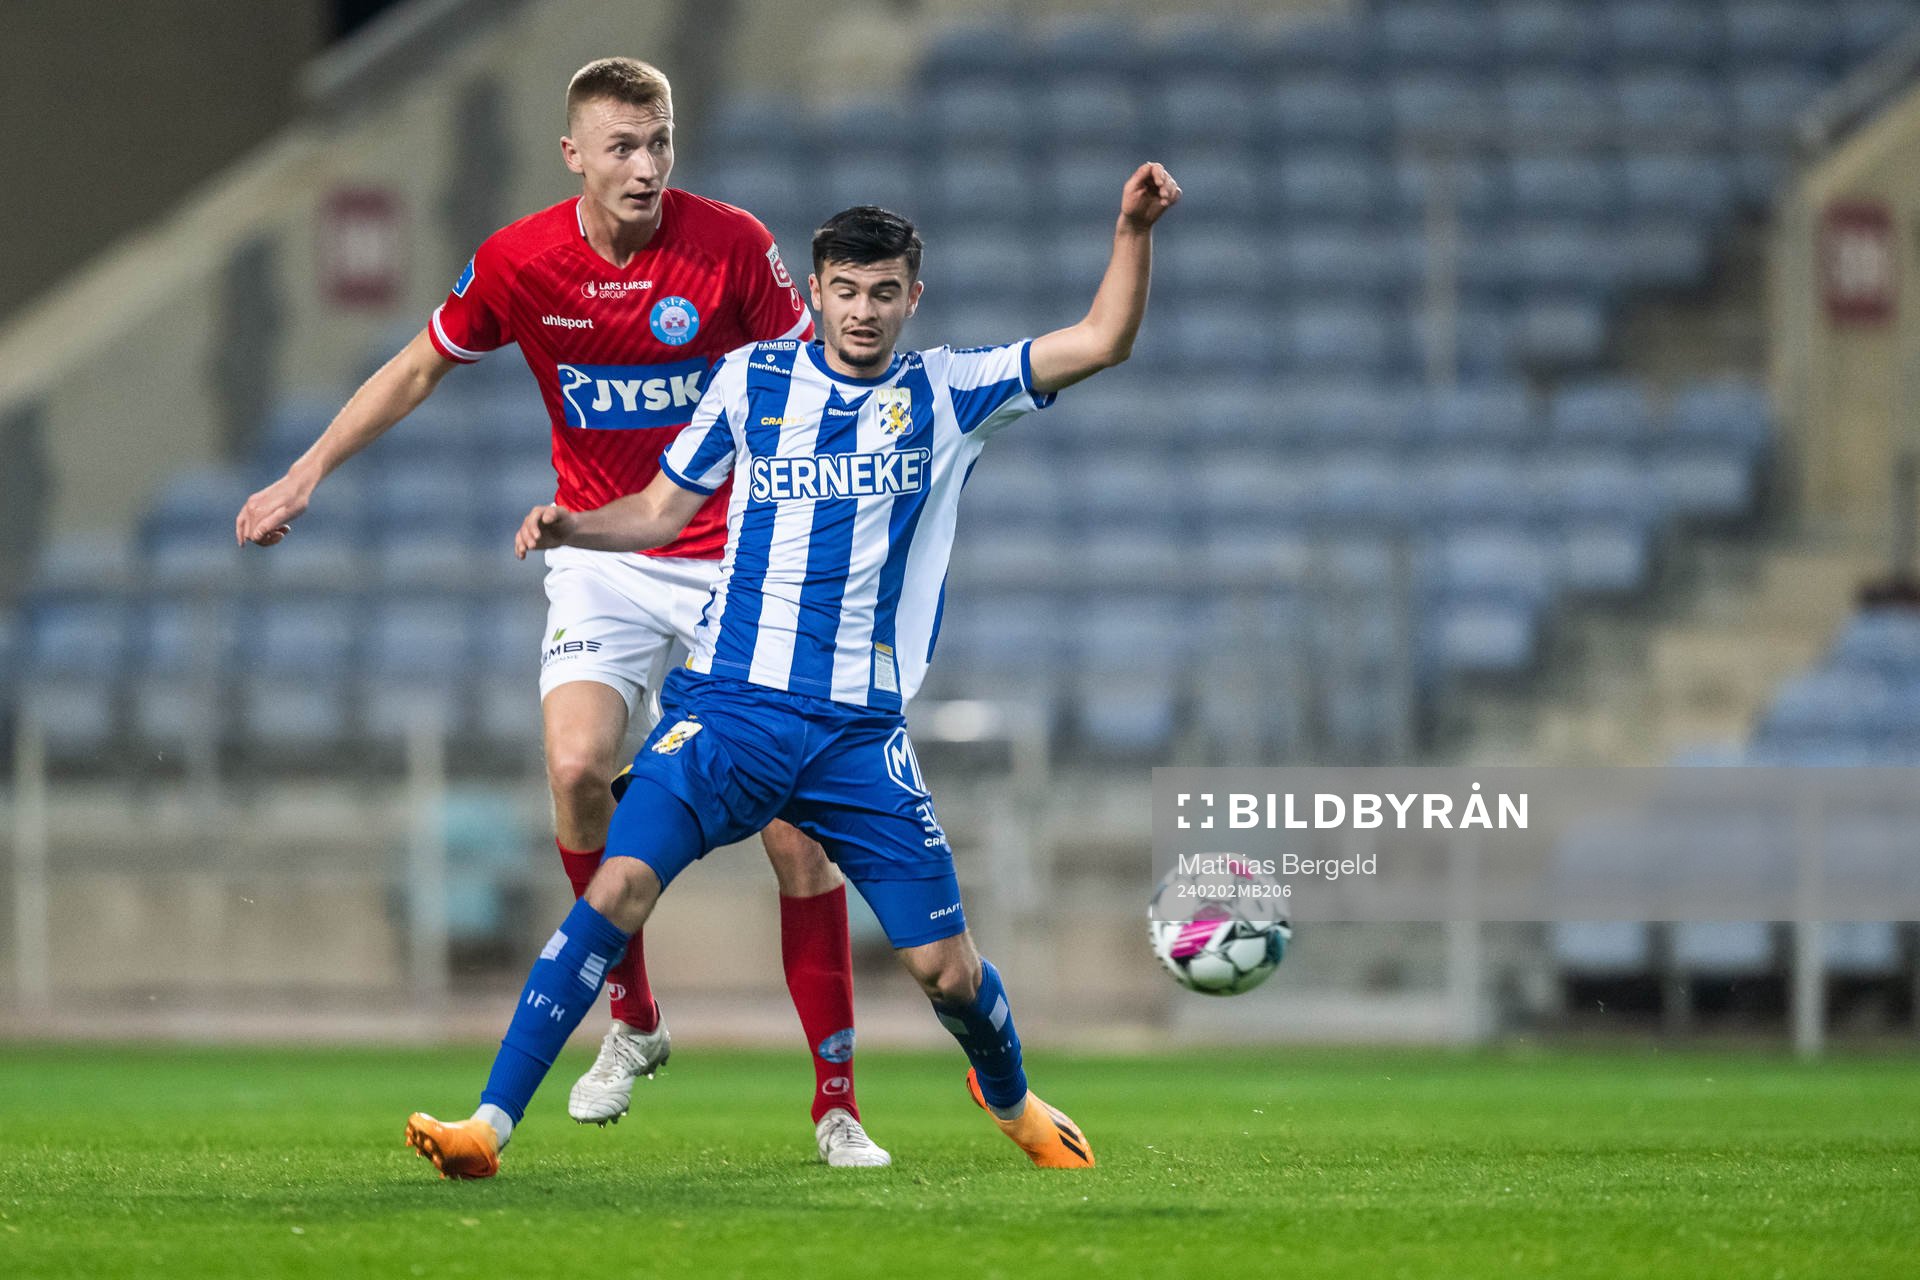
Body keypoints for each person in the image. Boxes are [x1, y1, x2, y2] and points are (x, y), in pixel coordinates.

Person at [402, 162, 1181, 1178]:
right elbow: (664, 512)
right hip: (729, 710)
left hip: (858, 736)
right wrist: (576, 526)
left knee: (946, 970)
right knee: (618, 886)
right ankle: (487, 1125)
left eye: (884, 291)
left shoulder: (949, 392)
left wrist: (1130, 229)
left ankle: (1012, 1096)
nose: (863, 311)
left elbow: (1102, 340)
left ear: (913, 295)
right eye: (845, 290)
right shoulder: (752, 380)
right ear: (814, 292)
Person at [234, 57, 887, 1167]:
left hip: (732, 554)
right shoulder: (520, 260)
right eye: (622, 146)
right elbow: (415, 367)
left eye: (660, 142)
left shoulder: (730, 246)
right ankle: (632, 1019)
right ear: (573, 154)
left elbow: (811, 381)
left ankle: (836, 1104)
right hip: (604, 551)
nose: (645, 165)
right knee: (579, 768)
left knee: (796, 831)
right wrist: (304, 475)